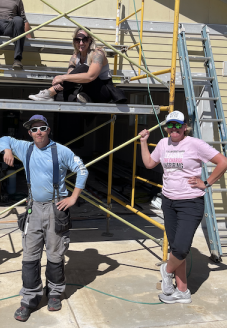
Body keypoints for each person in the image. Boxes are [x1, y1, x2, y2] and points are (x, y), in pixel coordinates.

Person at [0, 114, 88, 321]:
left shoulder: (61, 151)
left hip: (56, 208)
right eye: (34, 129)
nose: (38, 132)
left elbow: (82, 170)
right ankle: (30, 297)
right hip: (33, 208)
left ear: (49, 130)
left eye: (42, 128)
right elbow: (4, 138)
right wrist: (8, 150)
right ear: (29, 133)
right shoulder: (25, 148)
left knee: (55, 254)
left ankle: (55, 292)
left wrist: (73, 197)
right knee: (30, 254)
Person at [139, 110, 227, 304]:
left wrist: (207, 182)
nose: (173, 129)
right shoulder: (163, 143)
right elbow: (149, 163)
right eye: (170, 125)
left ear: (185, 127)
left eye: (178, 125)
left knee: (180, 248)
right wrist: (143, 142)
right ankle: (182, 291)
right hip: (168, 202)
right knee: (175, 247)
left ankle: (166, 270)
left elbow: (222, 162)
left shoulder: (195, 144)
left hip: (191, 202)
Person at [28, 27, 127, 104]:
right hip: (86, 92)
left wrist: (62, 77)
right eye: (77, 40)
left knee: (84, 68)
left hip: (102, 92)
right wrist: (61, 83)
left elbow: (90, 76)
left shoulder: (97, 54)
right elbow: (70, 77)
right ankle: (52, 97)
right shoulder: (75, 57)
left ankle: (48, 93)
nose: (81, 43)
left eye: (84, 39)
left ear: (90, 41)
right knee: (61, 96)